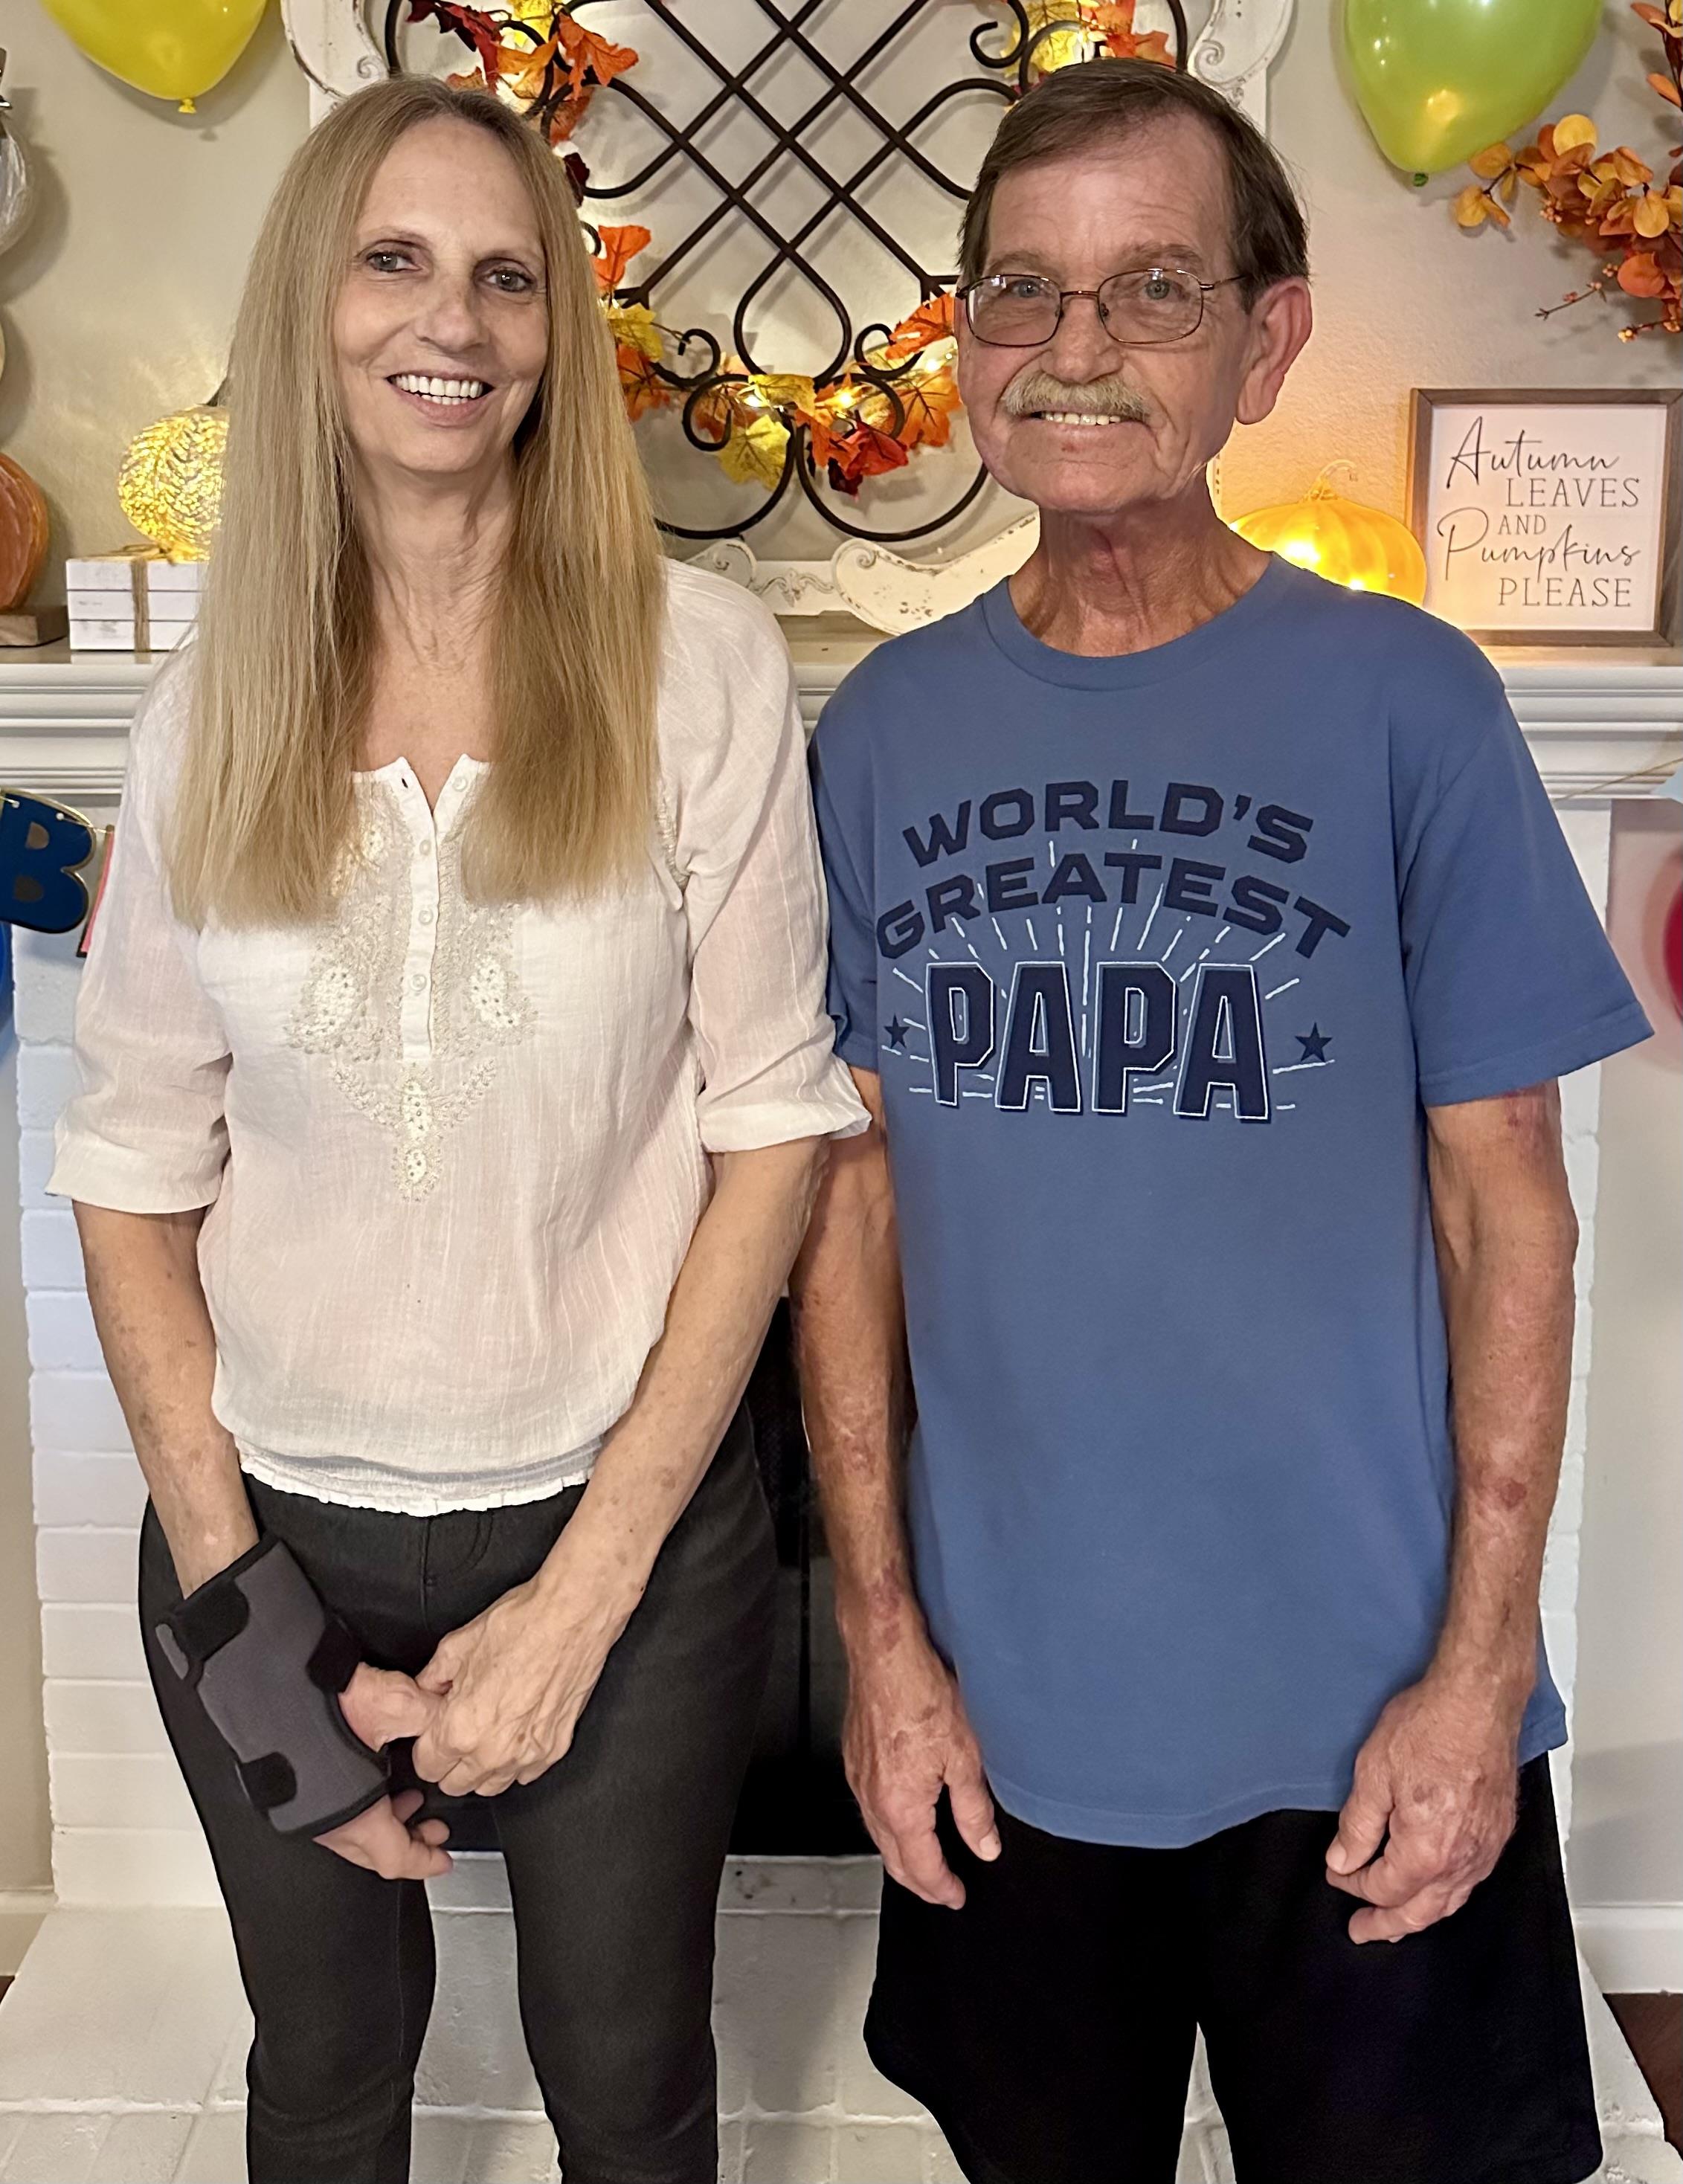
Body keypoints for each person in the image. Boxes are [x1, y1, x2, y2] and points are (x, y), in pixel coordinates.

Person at [793, 57, 1650, 2184]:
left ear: (1265, 341)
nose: (1074, 349)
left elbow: (1511, 1219)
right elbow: (848, 1209)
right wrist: (881, 1645)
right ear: (968, 338)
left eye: (1150, 290)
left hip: (1363, 1719)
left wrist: (1476, 1677)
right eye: (1023, 291)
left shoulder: (1406, 701)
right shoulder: (882, 739)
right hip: (1014, 1728)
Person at [51, 76, 864, 2184]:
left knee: (627, 2078)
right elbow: (133, 1169)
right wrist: (242, 1608)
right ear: (312, 300)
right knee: (322, 2076)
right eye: (397, 259)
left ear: (556, 337)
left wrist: (589, 1593)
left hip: (632, 1529)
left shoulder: (697, 667)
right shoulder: (204, 693)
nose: (460, 319)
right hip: (271, 1529)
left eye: (511, 274)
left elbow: (772, 1132)